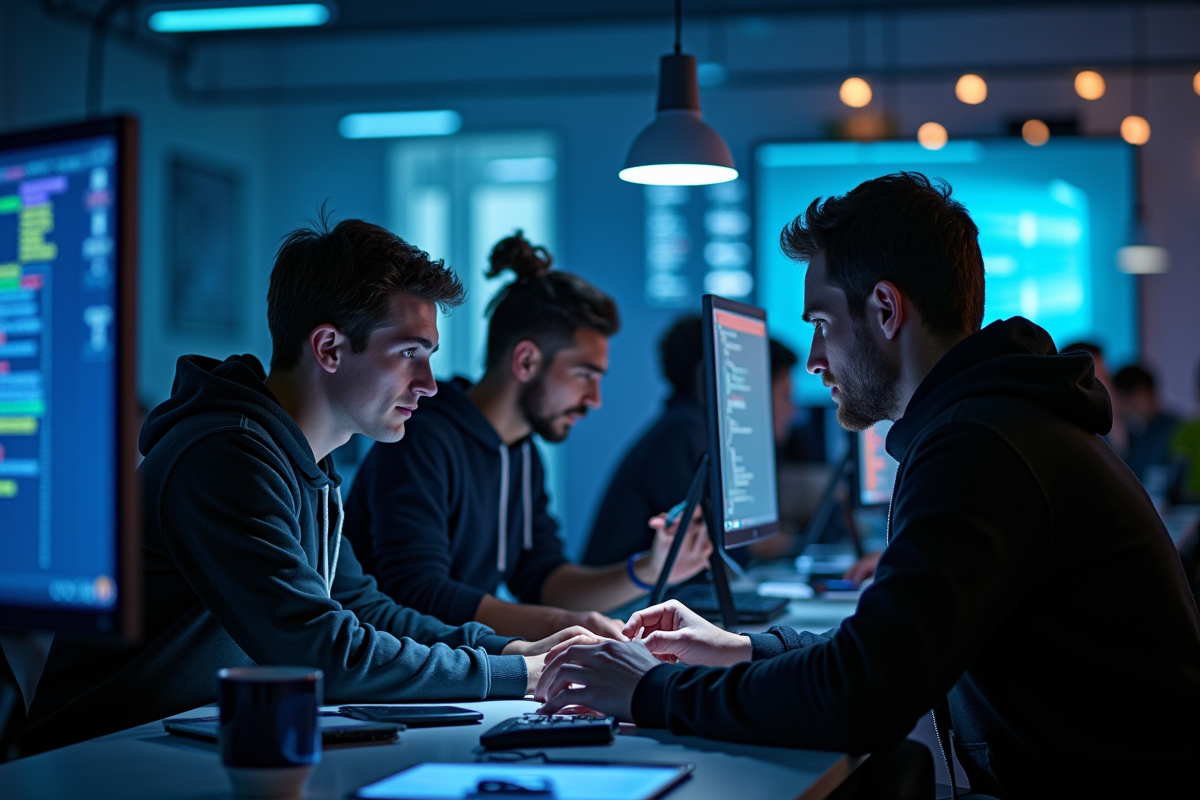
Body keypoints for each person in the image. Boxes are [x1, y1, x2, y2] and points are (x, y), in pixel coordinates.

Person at [535, 173, 1200, 797]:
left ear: (885, 308)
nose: (816, 360)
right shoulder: (1000, 423)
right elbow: (889, 650)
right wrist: (739, 649)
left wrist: (653, 689)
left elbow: (861, 694)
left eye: (822, 324)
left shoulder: (980, 445)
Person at [23, 218, 595, 755]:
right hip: (101, 759)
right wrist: (517, 675)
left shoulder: (305, 462)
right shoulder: (225, 455)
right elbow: (319, 649)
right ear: (328, 349)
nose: (428, 385)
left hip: (177, 746)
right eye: (408, 355)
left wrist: (510, 650)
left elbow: (360, 607)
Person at [343, 233, 712, 643]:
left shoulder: (520, 452)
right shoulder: (421, 438)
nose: (594, 400)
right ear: (526, 360)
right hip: (391, 682)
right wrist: (558, 627)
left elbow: (544, 578)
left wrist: (648, 568)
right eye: (585, 376)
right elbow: (417, 594)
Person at [1112, 364, 1180, 485]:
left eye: (1123, 400)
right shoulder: (1136, 434)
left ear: (1141, 393)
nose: (1121, 408)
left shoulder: (1175, 430)